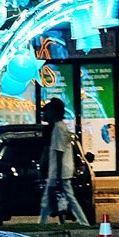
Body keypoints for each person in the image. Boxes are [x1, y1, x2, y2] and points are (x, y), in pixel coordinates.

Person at [37, 96, 88, 226]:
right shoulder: (59, 127)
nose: (44, 113)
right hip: (59, 170)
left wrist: (58, 175)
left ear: (53, 112)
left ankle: (83, 222)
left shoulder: (59, 128)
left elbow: (59, 153)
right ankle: (43, 223)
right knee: (54, 198)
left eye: (47, 111)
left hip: (60, 171)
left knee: (64, 198)